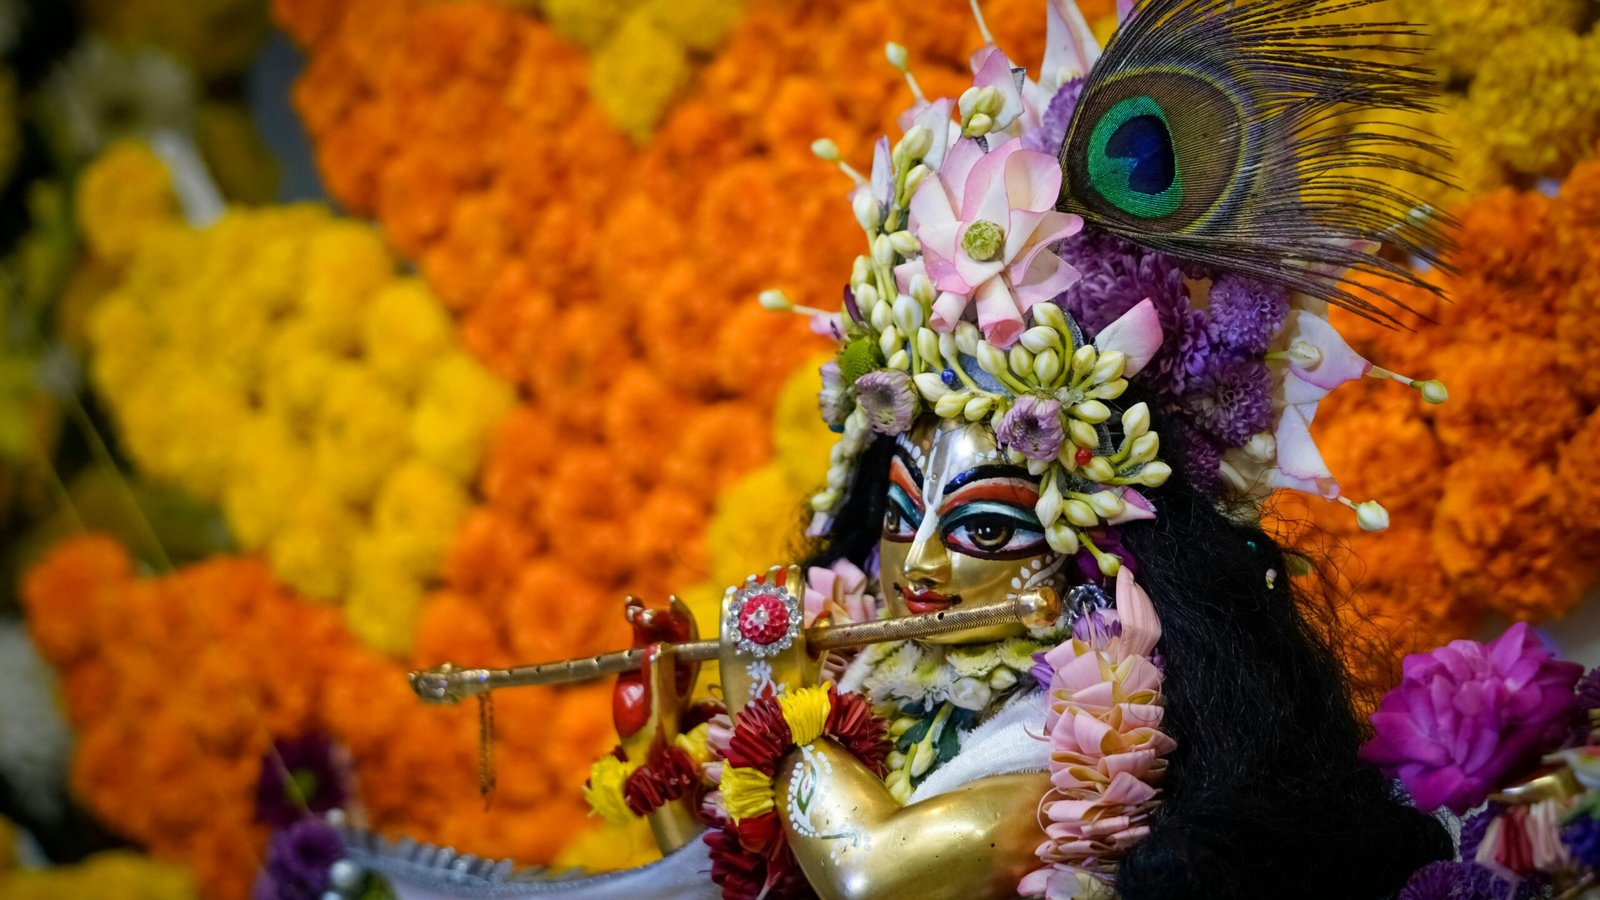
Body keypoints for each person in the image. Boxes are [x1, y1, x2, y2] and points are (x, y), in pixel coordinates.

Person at [358, 0, 1461, 896]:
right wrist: (672, 754)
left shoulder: (1074, 721)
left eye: (982, 524)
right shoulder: (884, 687)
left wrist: (780, 715)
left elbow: (869, 870)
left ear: (1088, 556)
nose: (919, 565)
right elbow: (748, 873)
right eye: (898, 512)